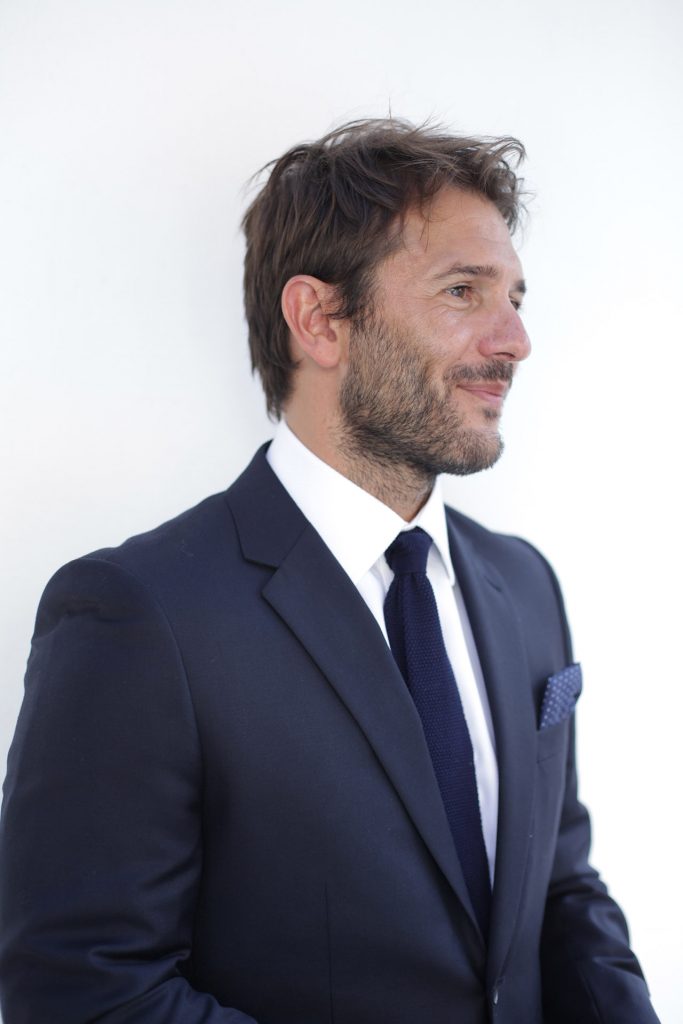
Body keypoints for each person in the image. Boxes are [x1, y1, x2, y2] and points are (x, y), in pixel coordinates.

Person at [0, 119, 659, 1024]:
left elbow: (559, 891)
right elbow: (83, 991)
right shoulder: (140, 615)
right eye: (462, 290)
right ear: (319, 320)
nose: (514, 339)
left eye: (514, 296)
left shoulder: (524, 586)